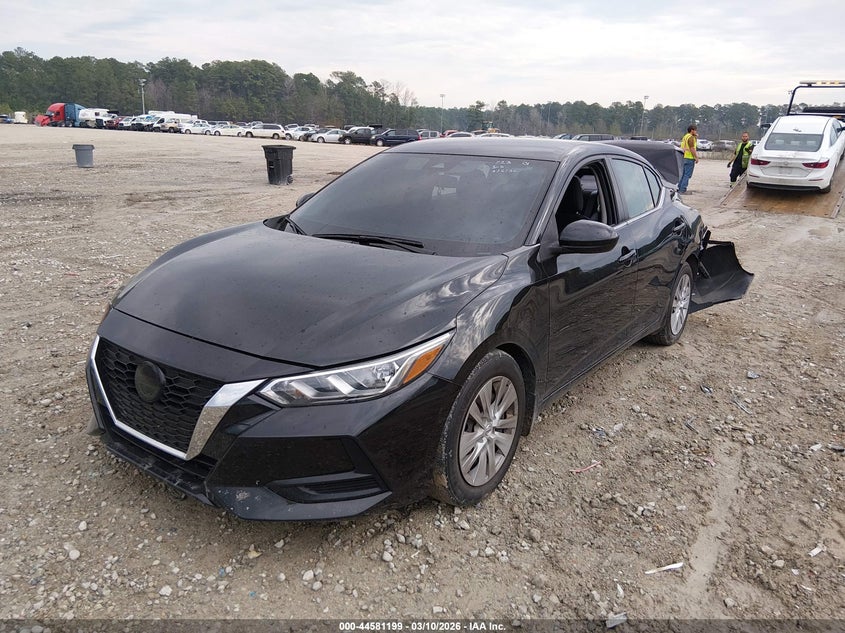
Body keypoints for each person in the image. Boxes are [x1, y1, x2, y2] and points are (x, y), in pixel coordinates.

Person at [677, 124, 698, 194]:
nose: (696, 132)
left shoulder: (685, 137)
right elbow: (692, 148)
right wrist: (696, 157)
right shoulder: (691, 138)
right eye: (695, 130)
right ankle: (682, 189)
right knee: (687, 175)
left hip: (684, 157)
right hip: (689, 158)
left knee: (683, 174)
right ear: (692, 130)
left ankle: (679, 188)